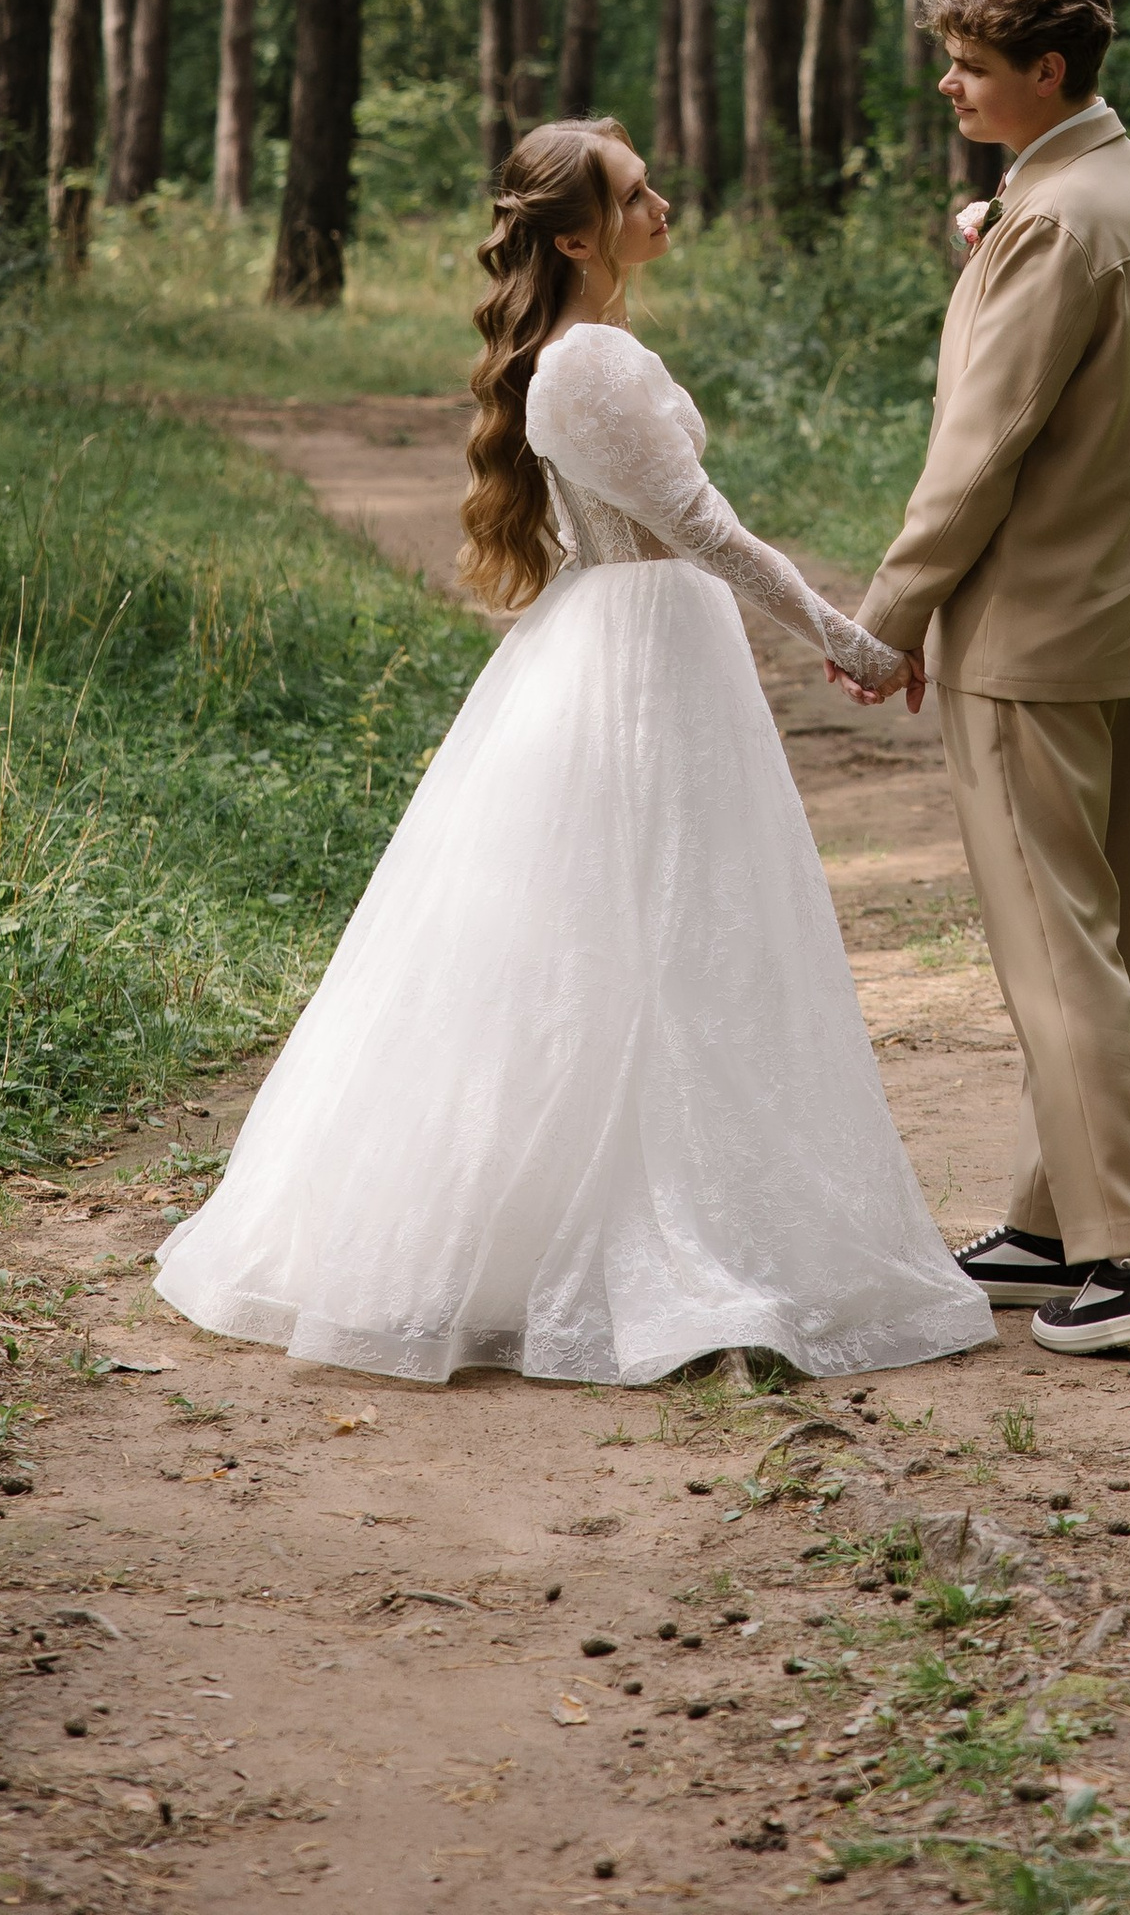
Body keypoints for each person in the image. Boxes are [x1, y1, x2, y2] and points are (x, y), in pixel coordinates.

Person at [154, 122, 993, 1389]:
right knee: (626, 933)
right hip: (639, 658)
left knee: (686, 932)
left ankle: (696, 1196)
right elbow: (704, 528)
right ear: (575, 237)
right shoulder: (587, 363)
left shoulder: (595, 350)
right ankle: (601, 1237)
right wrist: (851, 639)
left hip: (654, 645)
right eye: (635, 191)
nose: (663, 200)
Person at [848, 0, 1130, 1359]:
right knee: (1094, 945)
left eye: (973, 67)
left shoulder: (1055, 218)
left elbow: (979, 449)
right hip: (1127, 615)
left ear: (1046, 72)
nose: (948, 84)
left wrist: (887, 618)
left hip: (1035, 632)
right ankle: (1056, 1225)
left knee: (1055, 953)